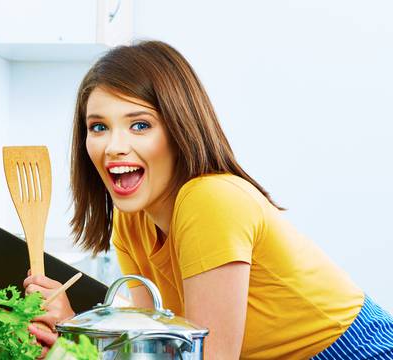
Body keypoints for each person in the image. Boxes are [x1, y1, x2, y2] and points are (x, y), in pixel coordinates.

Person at [23, 40, 393, 359]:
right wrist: (68, 333)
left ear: (179, 127)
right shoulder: (131, 219)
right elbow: (151, 349)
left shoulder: (210, 200)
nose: (114, 147)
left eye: (140, 125)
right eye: (98, 127)